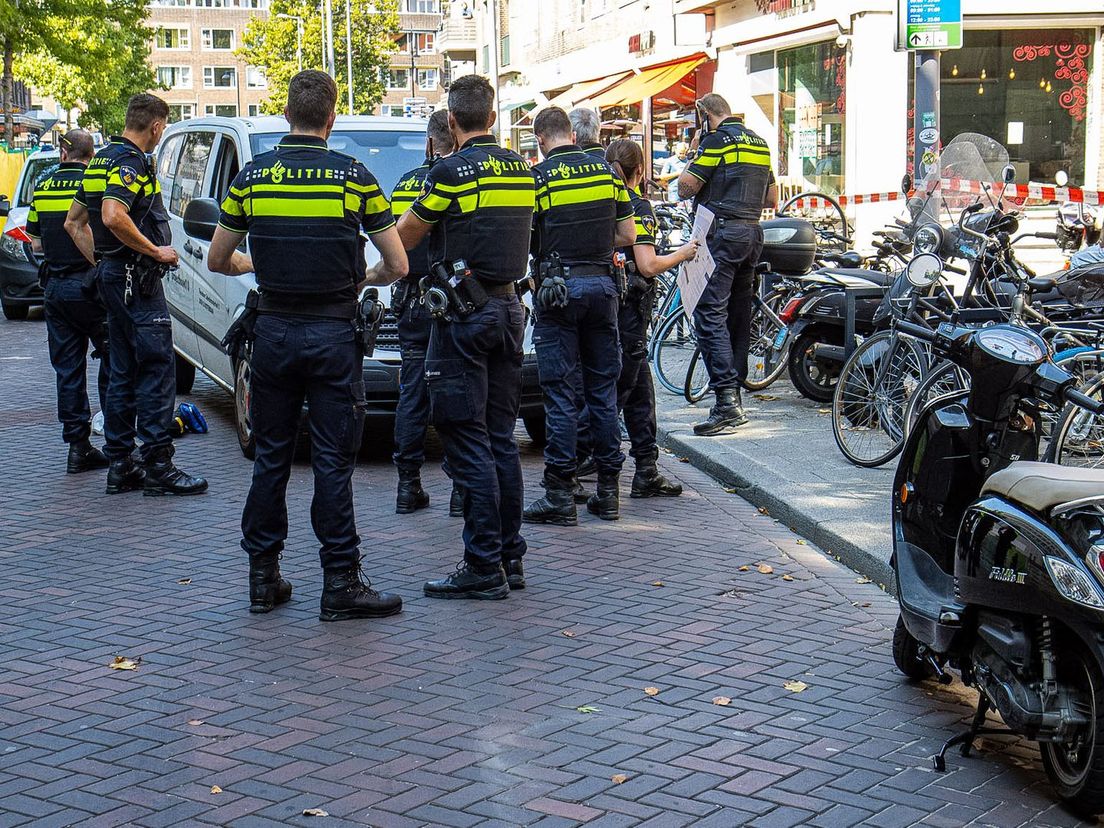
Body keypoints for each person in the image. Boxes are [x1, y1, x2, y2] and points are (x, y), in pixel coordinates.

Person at [206, 70, 409, 620]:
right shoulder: (354, 179)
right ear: (332, 116)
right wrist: (361, 279)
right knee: (331, 460)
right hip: (333, 336)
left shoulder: (253, 177)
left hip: (272, 334)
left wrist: (257, 263)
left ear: (286, 114)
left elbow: (218, 259)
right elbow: (398, 263)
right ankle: (340, 582)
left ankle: (262, 577)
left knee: (271, 455)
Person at [394, 74, 534, 600]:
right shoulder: (523, 170)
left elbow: (405, 238)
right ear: (493, 118)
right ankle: (509, 556)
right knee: (501, 437)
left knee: (466, 434)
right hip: (509, 307)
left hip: (462, 317)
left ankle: (482, 565)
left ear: (451, 122)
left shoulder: (449, 172)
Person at [65, 94, 207, 496]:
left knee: (122, 371)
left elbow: (74, 224)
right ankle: (159, 465)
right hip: (137, 283)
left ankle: (121, 464)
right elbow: (112, 214)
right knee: (158, 369)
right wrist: (154, 250)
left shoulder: (99, 161)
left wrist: (104, 263)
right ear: (157, 126)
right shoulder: (131, 164)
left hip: (114, 279)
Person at [522, 106, 636, 526]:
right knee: (602, 392)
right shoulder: (607, 173)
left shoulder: (538, 180)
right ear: (573, 133)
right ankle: (608, 493)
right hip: (604, 287)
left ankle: (559, 493)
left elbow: (525, 241)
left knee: (560, 394)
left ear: (540, 141)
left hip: (558, 291)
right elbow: (628, 235)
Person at [677, 94, 778, 436]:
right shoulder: (760, 143)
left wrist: (694, 151)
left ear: (704, 115)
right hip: (752, 234)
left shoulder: (716, 141)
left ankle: (726, 403)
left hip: (721, 235)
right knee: (738, 315)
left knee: (709, 315)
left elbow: (685, 188)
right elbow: (772, 199)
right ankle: (734, 393)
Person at [605, 139, 698, 496]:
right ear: (640, 171)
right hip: (631, 309)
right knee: (620, 389)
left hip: (613, 306)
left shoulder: (605, 200)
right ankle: (594, 464)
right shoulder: (637, 206)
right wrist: (683, 254)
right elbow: (647, 264)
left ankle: (646, 466)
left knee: (638, 388)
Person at [27, 129, 110, 474]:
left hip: (56, 290)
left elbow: (34, 243)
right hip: (92, 286)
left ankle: (78, 448)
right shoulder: (97, 182)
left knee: (68, 370)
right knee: (115, 360)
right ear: (90, 155)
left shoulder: (43, 186)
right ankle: (118, 440)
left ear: (64, 153)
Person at [389, 109, 458, 515]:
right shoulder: (463, 176)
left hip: (412, 300)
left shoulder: (405, 184)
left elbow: (394, 242)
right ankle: (459, 490)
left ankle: (407, 485)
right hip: (453, 301)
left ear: (429, 143)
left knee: (412, 391)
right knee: (455, 393)